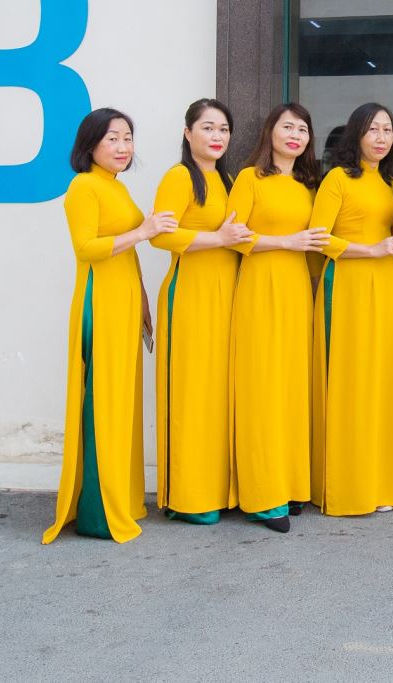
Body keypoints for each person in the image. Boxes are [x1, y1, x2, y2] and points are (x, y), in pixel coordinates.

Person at [43, 108, 176, 544]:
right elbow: (87, 248)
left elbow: (127, 255)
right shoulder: (83, 186)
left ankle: (120, 498)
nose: (123, 147)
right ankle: (98, 513)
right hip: (99, 303)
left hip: (123, 302)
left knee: (121, 403)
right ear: (90, 145)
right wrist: (144, 231)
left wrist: (143, 302)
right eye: (112, 139)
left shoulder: (116, 187)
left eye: (127, 138)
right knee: (102, 403)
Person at [225, 104, 329, 533]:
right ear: (270, 132)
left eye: (303, 129)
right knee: (263, 389)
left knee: (292, 388)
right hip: (260, 287)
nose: (295, 135)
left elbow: (318, 243)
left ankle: (290, 485)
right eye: (288, 126)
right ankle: (263, 495)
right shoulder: (250, 178)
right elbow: (234, 238)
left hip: (297, 290)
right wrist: (288, 241)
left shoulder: (309, 187)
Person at [149, 99, 253, 524]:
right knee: (192, 392)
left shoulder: (228, 179)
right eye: (207, 127)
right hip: (191, 293)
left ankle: (218, 489)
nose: (217, 136)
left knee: (218, 393)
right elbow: (160, 236)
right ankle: (189, 496)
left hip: (227, 293)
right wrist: (219, 239)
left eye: (223, 129)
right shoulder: (180, 176)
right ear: (187, 133)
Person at [309, 103, 393, 516]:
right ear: (356, 134)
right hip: (348, 285)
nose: (382, 137)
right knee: (351, 383)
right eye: (373, 130)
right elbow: (319, 238)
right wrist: (371, 249)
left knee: (381, 383)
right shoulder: (338, 178)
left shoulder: (390, 182)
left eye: (387, 129)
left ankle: (380, 482)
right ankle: (348, 486)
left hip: (386, 286)